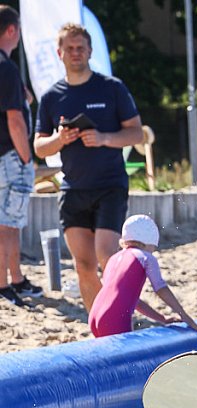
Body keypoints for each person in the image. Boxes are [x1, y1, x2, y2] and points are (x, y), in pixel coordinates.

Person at [33, 23, 143, 312]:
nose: (75, 53)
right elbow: (39, 147)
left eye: (80, 47)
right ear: (59, 53)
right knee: (83, 266)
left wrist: (105, 138)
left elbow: (136, 134)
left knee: (107, 257)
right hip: (73, 189)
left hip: (109, 185)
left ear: (90, 50)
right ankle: (100, 327)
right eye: (69, 48)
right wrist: (60, 138)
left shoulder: (111, 88)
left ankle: (120, 318)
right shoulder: (51, 97)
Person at [88, 214, 197, 337]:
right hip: (114, 319)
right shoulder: (145, 257)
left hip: (94, 316)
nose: (153, 250)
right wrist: (184, 315)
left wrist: (162, 318)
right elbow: (160, 288)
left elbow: (131, 300)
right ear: (150, 241)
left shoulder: (114, 259)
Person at [0, 6, 41, 307]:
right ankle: (5, 284)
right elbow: (15, 120)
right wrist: (27, 158)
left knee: (9, 223)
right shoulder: (6, 68)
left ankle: (15, 278)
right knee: (8, 225)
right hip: (9, 157)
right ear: (11, 30)